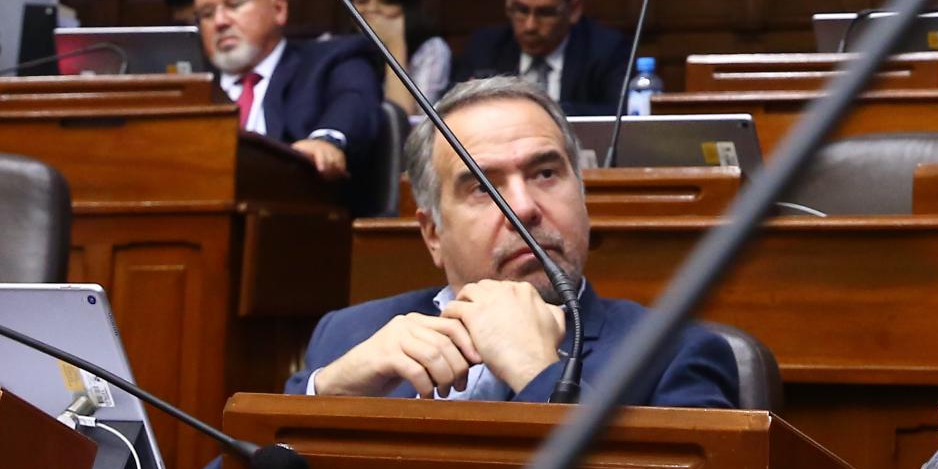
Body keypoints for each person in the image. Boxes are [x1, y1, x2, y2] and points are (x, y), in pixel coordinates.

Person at [291, 75, 744, 406]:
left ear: (583, 200)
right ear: (433, 234)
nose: (524, 207)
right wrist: (323, 394)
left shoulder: (670, 355)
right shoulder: (346, 337)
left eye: (545, 173)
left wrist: (538, 374)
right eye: (484, 188)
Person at [192, 0, 379, 192]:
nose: (219, 21)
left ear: (278, 8)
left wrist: (325, 141)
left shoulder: (329, 61)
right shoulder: (190, 88)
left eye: (234, 4)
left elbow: (354, 99)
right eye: (206, 14)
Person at [457, 0, 633, 116]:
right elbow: (452, 110)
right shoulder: (485, 48)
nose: (530, 25)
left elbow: (623, 113)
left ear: (574, 9)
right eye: (521, 10)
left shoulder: (607, 50)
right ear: (508, 0)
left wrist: (542, 112)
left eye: (545, 13)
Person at [352, 0, 451, 114]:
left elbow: (407, 120)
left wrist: (395, 45)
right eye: (362, 1)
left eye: (385, 1)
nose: (371, 9)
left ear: (406, 7)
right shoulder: (331, 46)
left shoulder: (431, 50)